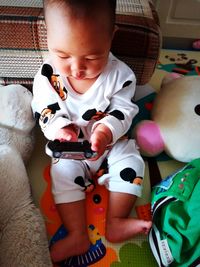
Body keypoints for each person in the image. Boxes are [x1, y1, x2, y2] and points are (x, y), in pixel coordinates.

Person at [32, 0, 152, 263]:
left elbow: (123, 109)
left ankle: (116, 221)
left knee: (131, 159)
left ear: (111, 37)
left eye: (91, 57)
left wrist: (106, 131)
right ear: (47, 36)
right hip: (72, 150)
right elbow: (43, 108)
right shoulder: (48, 75)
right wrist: (59, 128)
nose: (77, 68)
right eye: (63, 55)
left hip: (109, 145)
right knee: (61, 170)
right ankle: (77, 234)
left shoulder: (120, 75)